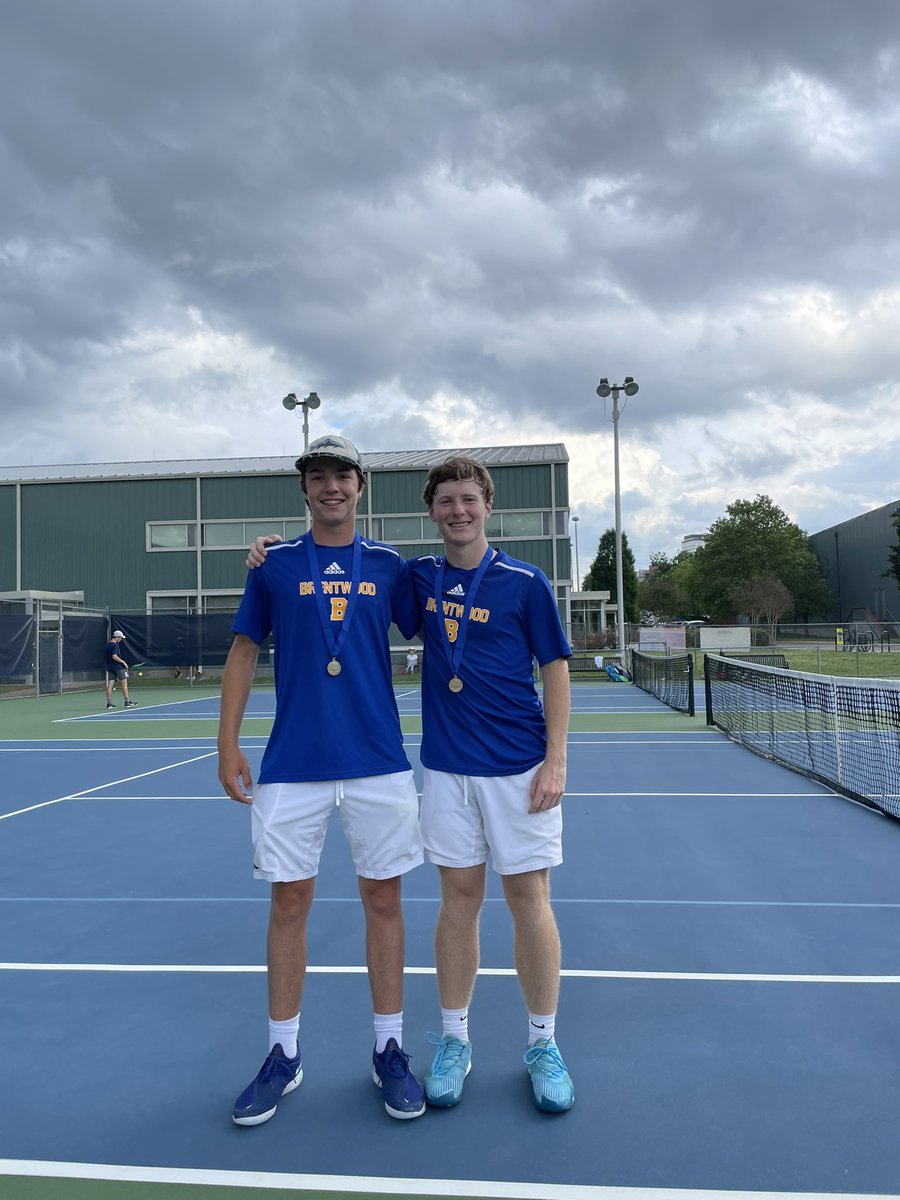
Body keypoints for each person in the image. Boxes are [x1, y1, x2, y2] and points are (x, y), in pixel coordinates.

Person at [248, 454, 574, 1113]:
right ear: (432, 512)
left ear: (488, 506)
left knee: (529, 899)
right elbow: (340, 583)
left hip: (519, 766)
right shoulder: (415, 578)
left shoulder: (524, 580)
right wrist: (265, 550)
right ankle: (454, 1039)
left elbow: (556, 667)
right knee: (458, 901)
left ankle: (543, 1043)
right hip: (448, 767)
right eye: (446, 500)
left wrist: (557, 757)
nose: (458, 510)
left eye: (469, 499)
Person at [218, 433, 426, 1127]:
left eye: (342, 476)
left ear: (361, 486)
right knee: (287, 905)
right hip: (292, 765)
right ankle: (284, 1055)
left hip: (378, 761)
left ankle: (389, 1049)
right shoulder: (274, 566)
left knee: (385, 902)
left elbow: (443, 615)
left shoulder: (392, 567)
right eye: (318, 477)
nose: (330, 486)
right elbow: (244, 651)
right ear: (304, 490)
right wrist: (226, 743)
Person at [104, 631, 137, 709]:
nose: (121, 639)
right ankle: (127, 702)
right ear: (117, 637)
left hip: (110, 667)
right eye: (121, 638)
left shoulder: (107, 645)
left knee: (110, 684)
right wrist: (123, 662)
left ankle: (109, 703)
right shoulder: (115, 645)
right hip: (118, 667)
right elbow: (114, 656)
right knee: (124, 683)